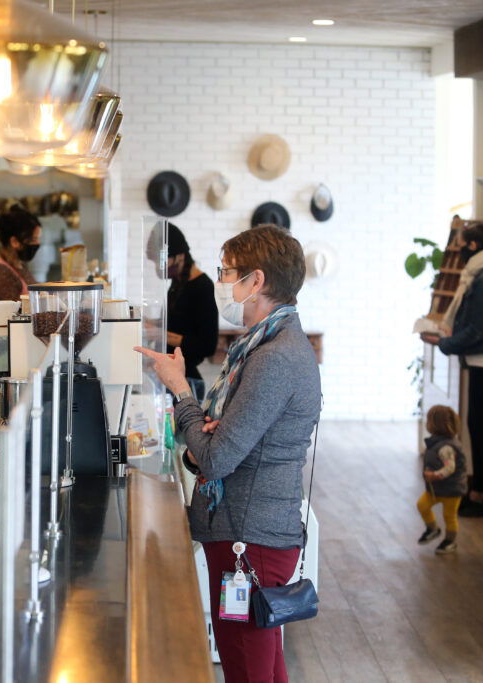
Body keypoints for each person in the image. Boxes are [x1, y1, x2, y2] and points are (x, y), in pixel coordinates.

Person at [136, 225, 321, 683]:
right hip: (252, 533)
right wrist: (205, 443)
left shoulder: (274, 358)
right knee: (265, 666)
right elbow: (215, 449)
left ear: (256, 281)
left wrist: (181, 390)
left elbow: (217, 459)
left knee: (246, 667)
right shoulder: (266, 346)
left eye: (227, 272)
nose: (221, 282)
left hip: (248, 539)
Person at [424, 220, 483, 516]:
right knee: (478, 426)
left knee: (482, 429)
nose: (459, 251)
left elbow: (478, 329)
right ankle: (480, 493)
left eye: (462, 246)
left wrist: (443, 343)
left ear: (473, 246)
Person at [165, 223, 219, 401]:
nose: (160, 266)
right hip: (176, 376)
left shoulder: (203, 286)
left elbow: (208, 345)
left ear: (179, 256)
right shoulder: (177, 283)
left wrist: (163, 335)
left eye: (164, 260)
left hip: (189, 382)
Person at [416, 405, 468, 555]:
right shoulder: (436, 443)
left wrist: (434, 475)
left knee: (449, 516)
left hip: (451, 489)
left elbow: (449, 468)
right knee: (422, 505)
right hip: (437, 488)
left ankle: (450, 541)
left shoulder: (446, 448)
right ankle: (433, 528)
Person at [0, 205, 40, 301]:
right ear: (14, 241)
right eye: (33, 239)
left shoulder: (19, 265)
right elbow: (11, 312)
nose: (37, 243)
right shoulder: (0, 273)